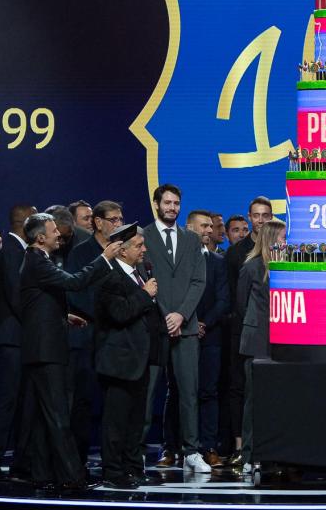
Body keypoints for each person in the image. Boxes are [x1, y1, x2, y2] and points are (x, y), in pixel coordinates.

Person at [11, 213, 116, 494]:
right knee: (58, 415)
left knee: (43, 417)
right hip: (47, 352)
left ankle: (41, 473)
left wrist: (63, 315)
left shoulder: (37, 261)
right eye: (53, 230)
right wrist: (104, 258)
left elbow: (37, 301)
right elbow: (75, 282)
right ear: (40, 238)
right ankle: (72, 476)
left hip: (41, 349)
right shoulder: (36, 261)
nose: (59, 233)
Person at [140, 185, 211, 472]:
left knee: (189, 391)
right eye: (167, 202)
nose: (172, 207)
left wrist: (181, 315)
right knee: (146, 393)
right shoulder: (142, 236)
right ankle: (136, 451)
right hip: (155, 327)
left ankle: (191, 451)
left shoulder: (191, 239)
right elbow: (143, 277)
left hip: (187, 325)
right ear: (156, 204)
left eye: (176, 203)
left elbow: (198, 281)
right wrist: (166, 315)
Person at [92, 223, 165, 490]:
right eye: (139, 246)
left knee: (136, 420)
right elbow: (119, 313)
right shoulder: (109, 277)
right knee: (116, 421)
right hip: (119, 361)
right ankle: (113, 471)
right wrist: (145, 295)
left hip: (141, 359)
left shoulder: (140, 272)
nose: (144, 250)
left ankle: (134, 467)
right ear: (121, 251)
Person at [66, 200, 123, 458]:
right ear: (98, 223)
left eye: (121, 220)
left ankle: (114, 459)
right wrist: (105, 311)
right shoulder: (80, 252)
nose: (118, 224)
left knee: (114, 403)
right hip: (88, 335)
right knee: (83, 400)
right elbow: (75, 290)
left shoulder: (123, 252)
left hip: (115, 337)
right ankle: (78, 459)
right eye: (113, 220)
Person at [0, 203, 35, 476]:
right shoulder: (13, 251)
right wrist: (38, 324)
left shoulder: (14, 250)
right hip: (12, 335)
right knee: (9, 398)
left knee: (20, 398)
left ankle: (20, 459)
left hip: (16, 336)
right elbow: (17, 296)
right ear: (25, 222)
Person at [221, 197, 272, 459]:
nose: (261, 221)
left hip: (273, 337)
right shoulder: (238, 254)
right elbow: (236, 300)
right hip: (246, 331)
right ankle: (242, 447)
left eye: (266, 216)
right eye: (256, 215)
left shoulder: (282, 259)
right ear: (249, 217)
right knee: (241, 389)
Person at [234, 218, 286, 472]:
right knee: (253, 401)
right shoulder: (251, 267)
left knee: (277, 400)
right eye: (283, 239)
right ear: (272, 240)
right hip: (257, 342)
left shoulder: (286, 268)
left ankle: (274, 455)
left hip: (282, 343)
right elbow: (241, 305)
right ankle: (248, 456)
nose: (286, 244)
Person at [188, 210, 230, 468]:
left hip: (211, 335)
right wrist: (189, 321)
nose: (207, 230)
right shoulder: (178, 260)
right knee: (181, 393)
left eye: (209, 226)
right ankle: (175, 447)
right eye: (202, 226)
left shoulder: (217, 261)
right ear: (189, 228)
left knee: (208, 392)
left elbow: (223, 299)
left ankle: (209, 446)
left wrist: (204, 323)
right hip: (181, 331)